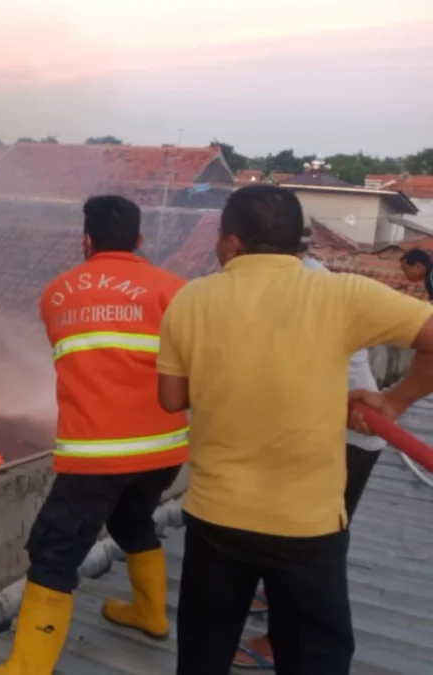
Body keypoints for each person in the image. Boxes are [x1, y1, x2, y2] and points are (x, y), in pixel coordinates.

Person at [157, 184, 433, 675]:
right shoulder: (339, 292)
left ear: (232, 242)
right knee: (314, 659)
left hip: (216, 516)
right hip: (307, 524)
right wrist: (394, 401)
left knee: (203, 653)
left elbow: (172, 400)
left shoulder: (190, 299)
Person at [0, 195, 189, 675]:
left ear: (85, 241)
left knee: (52, 552)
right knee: (134, 524)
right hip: (164, 450)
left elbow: (76, 358)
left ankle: (26, 668)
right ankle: (150, 615)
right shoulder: (176, 289)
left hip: (96, 456)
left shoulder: (57, 293)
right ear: (140, 240)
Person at [232, 254, 388, 670]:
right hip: (328, 433)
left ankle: (278, 643)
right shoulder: (304, 277)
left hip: (344, 438)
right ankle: (277, 611)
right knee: (298, 544)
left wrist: (397, 402)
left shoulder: (297, 287)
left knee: (306, 549)